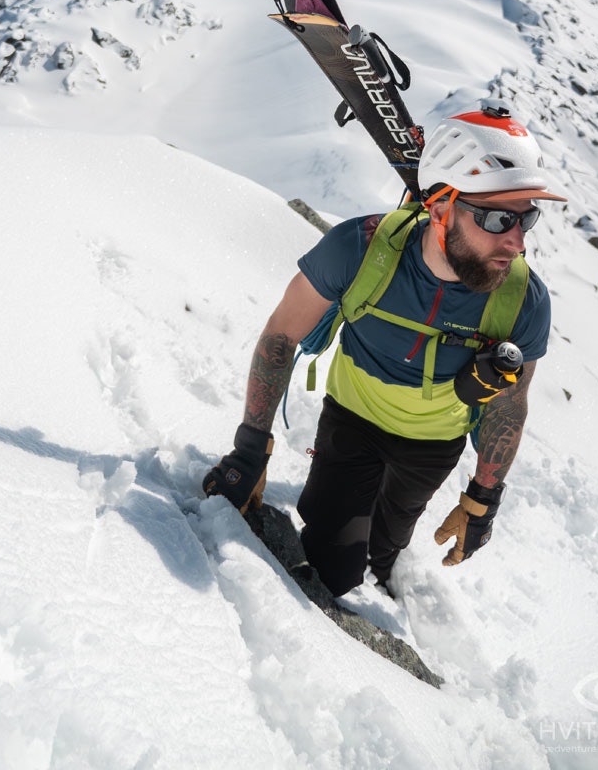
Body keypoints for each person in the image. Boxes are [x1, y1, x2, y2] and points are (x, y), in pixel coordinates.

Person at [203, 105, 565, 596]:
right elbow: (281, 335)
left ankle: (385, 556)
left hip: (433, 449)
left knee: (387, 544)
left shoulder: (524, 300)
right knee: (336, 572)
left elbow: (508, 402)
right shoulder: (360, 249)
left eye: (528, 218)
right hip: (352, 424)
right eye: (500, 218)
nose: (518, 242)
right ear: (440, 211)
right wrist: (250, 451)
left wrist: (484, 497)